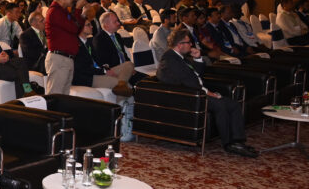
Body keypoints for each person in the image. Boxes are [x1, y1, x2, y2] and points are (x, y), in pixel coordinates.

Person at [157, 29, 258, 157]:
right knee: (220, 105)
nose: (191, 45)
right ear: (179, 44)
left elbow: (197, 75)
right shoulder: (170, 59)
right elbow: (188, 83)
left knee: (233, 105)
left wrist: (198, 58)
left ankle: (238, 141)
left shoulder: (180, 57)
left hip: (197, 91)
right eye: (188, 42)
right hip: (189, 96)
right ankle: (228, 144)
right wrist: (208, 93)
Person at [44, 0, 86, 95]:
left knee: (64, 97)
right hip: (59, 59)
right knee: (55, 95)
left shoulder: (63, 11)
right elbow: (74, 28)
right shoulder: (54, 11)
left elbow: (77, 29)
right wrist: (78, 8)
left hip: (66, 58)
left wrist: (82, 14)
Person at [91, 12, 136, 96]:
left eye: (117, 21)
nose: (118, 23)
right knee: (129, 66)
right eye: (115, 22)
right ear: (106, 25)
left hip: (124, 67)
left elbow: (123, 54)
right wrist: (109, 70)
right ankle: (122, 86)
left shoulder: (117, 36)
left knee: (143, 79)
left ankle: (121, 87)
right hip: (113, 70)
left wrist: (130, 68)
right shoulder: (99, 39)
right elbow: (101, 60)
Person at [19, 9, 47, 74]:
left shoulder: (45, 32)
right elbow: (30, 53)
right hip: (36, 65)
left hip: (46, 61)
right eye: (41, 21)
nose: (45, 22)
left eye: (44, 19)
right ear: (34, 24)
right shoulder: (25, 35)